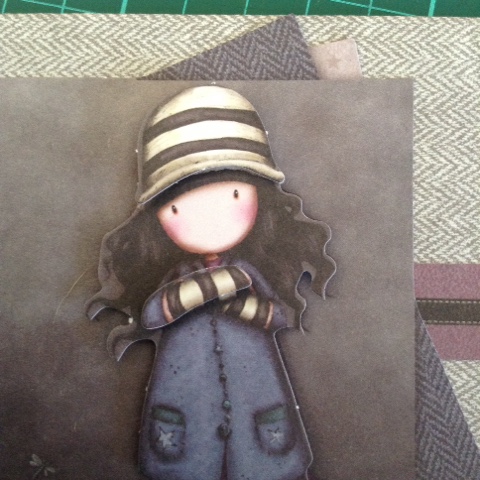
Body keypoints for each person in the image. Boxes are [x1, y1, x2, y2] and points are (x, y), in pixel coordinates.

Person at [86, 86, 335, 480]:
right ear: (158, 214)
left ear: (258, 196)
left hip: (257, 413)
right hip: (186, 416)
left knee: (263, 465)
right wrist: (217, 286)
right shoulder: (184, 276)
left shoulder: (248, 271)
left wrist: (237, 302)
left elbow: (278, 317)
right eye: (178, 206)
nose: (208, 219)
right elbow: (153, 315)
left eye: (232, 195)